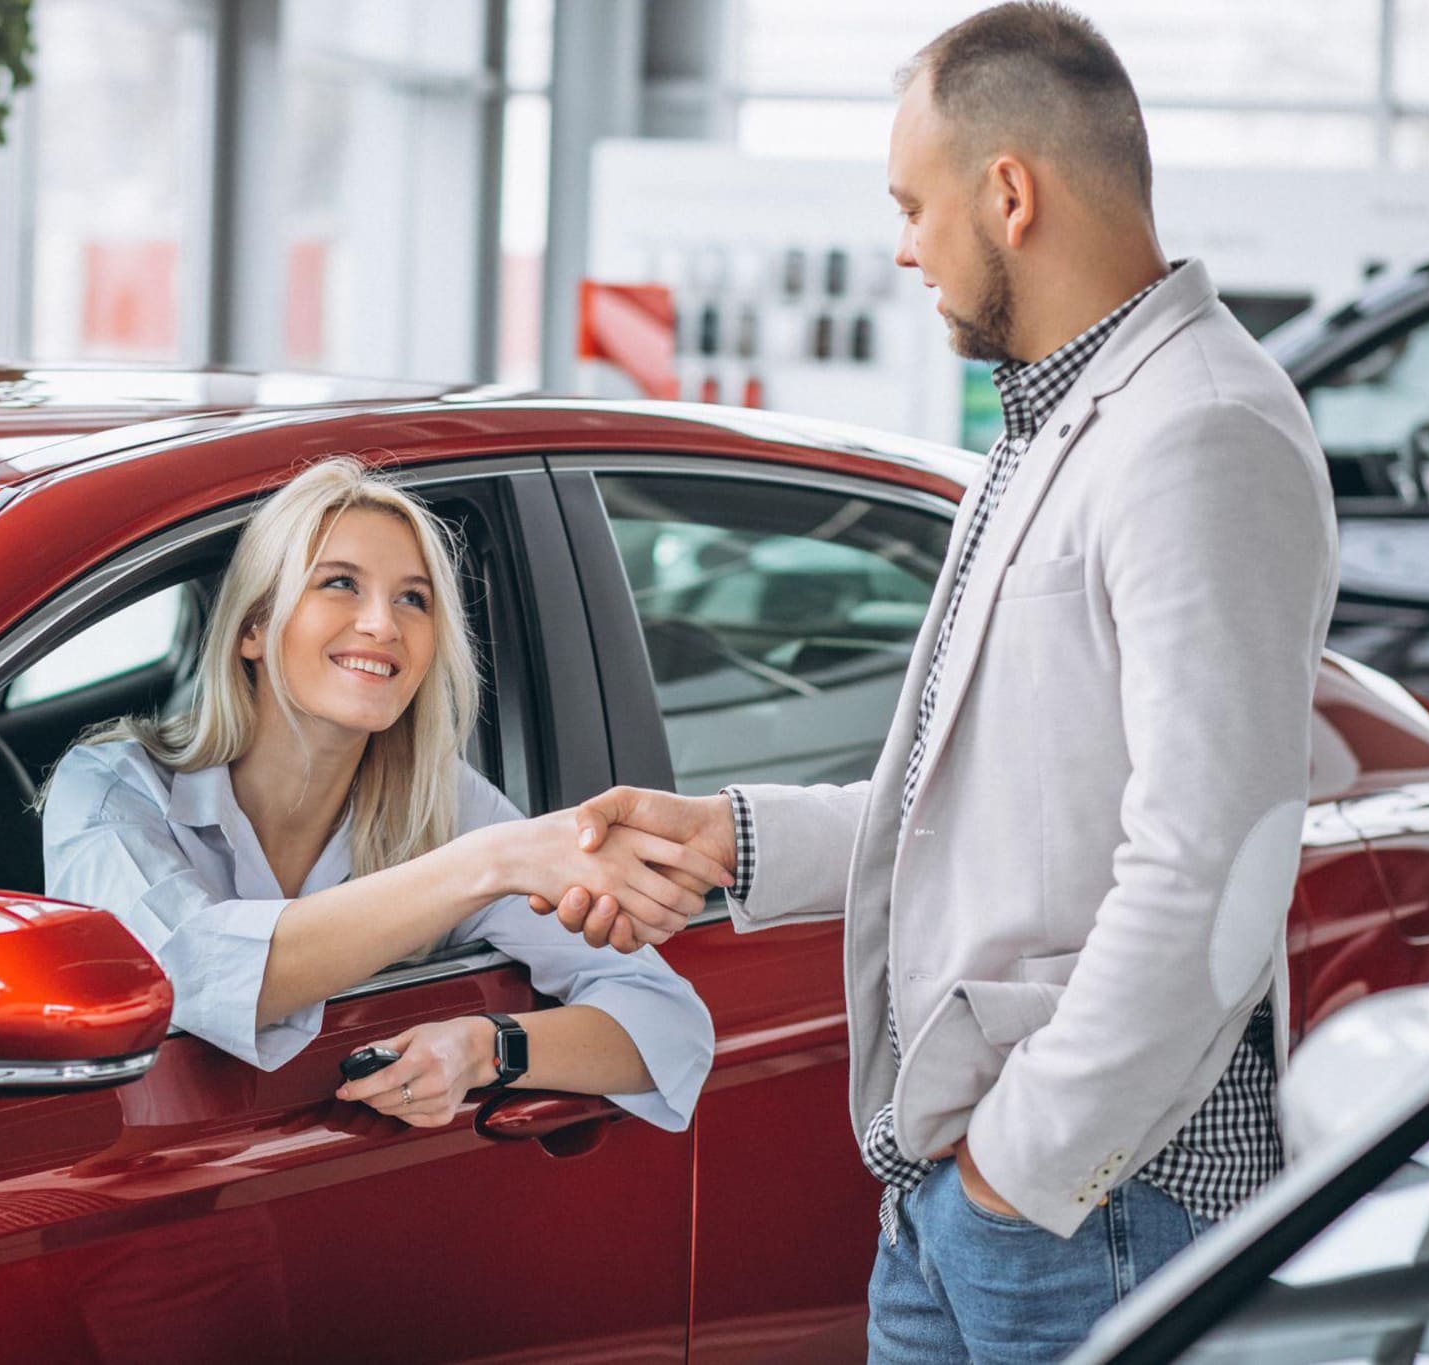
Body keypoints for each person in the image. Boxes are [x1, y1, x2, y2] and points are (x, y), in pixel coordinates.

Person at [537, 3, 1339, 1358]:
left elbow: (1217, 861)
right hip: (969, 1190)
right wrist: (733, 840)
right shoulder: (1057, 420)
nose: (904, 243)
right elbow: (980, 805)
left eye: (915, 203)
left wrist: (1023, 1168)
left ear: (1009, 194)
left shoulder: (1200, 431)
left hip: (1093, 1207)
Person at [41, 456, 717, 1131]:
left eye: (412, 598)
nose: (383, 625)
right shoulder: (108, 788)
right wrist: (485, 865)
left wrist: (484, 1047)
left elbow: (670, 1023)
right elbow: (180, 974)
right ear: (253, 627)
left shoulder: (443, 804)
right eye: (340, 583)